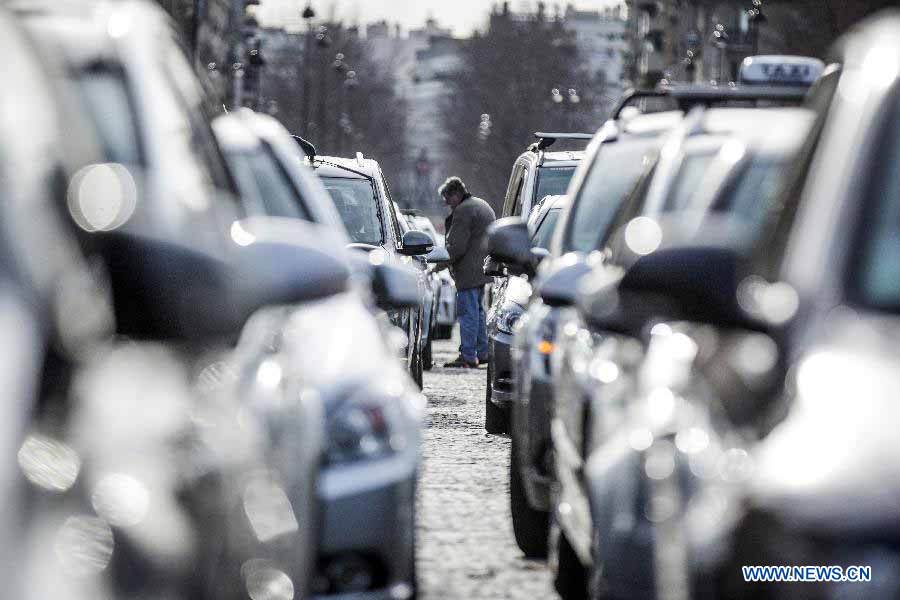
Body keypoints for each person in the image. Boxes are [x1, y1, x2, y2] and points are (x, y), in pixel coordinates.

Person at [438, 176, 496, 368]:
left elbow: (456, 246)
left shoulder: (464, 211)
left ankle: (468, 356)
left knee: (468, 314)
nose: (447, 204)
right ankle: (482, 352)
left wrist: (439, 264)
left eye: (447, 199)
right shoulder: (480, 204)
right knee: (478, 312)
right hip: (482, 269)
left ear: (455, 195)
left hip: (468, 271)